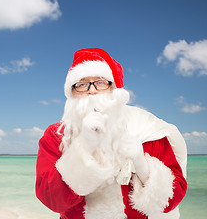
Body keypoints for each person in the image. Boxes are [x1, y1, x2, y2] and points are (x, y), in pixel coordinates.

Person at [35, 48, 187, 219]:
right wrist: (84, 148)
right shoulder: (56, 135)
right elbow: (51, 201)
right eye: (82, 84)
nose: (91, 91)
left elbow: (172, 199)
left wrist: (141, 163)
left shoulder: (146, 129)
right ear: (72, 92)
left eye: (100, 82)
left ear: (114, 89)